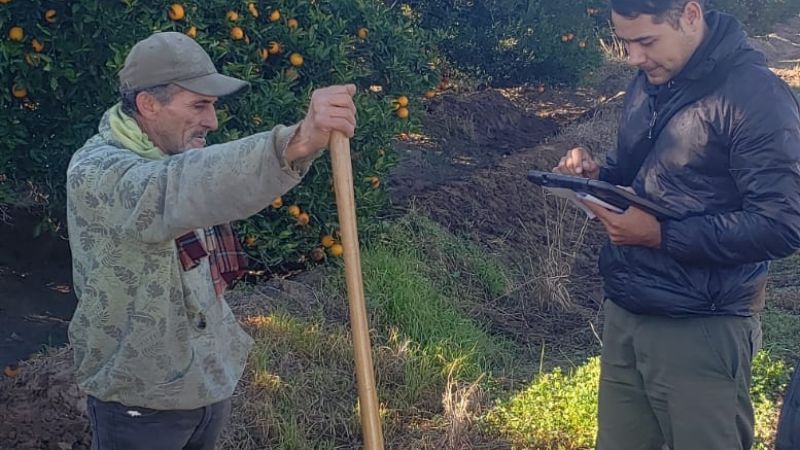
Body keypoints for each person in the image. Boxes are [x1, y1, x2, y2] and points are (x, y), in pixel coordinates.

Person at [66, 31, 356, 450]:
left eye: (213, 106)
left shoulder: (173, 153)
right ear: (148, 104)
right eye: (199, 105)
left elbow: (202, 183)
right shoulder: (98, 172)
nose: (213, 121)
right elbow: (175, 189)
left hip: (205, 383)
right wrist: (298, 141)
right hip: (141, 402)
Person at [554, 1, 800, 449]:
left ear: (689, 15)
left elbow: (781, 223)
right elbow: (640, 179)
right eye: (625, 42)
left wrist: (662, 236)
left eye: (646, 41)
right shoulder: (648, 82)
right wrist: (596, 179)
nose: (633, 58)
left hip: (701, 324)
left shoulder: (754, 96)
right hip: (628, 309)